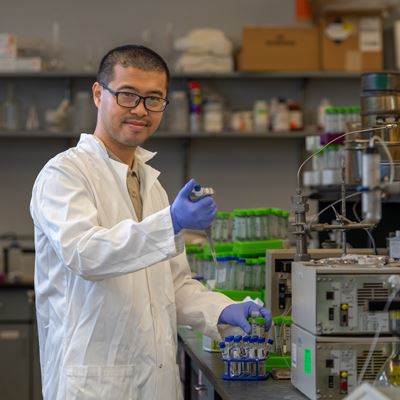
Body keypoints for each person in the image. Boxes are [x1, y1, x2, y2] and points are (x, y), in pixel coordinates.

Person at [30, 44, 271, 400]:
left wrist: (221, 308)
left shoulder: (150, 185)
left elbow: (172, 286)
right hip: (94, 384)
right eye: (127, 95)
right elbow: (84, 253)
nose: (140, 111)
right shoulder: (65, 174)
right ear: (99, 94)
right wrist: (171, 222)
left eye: (153, 99)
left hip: (155, 382)